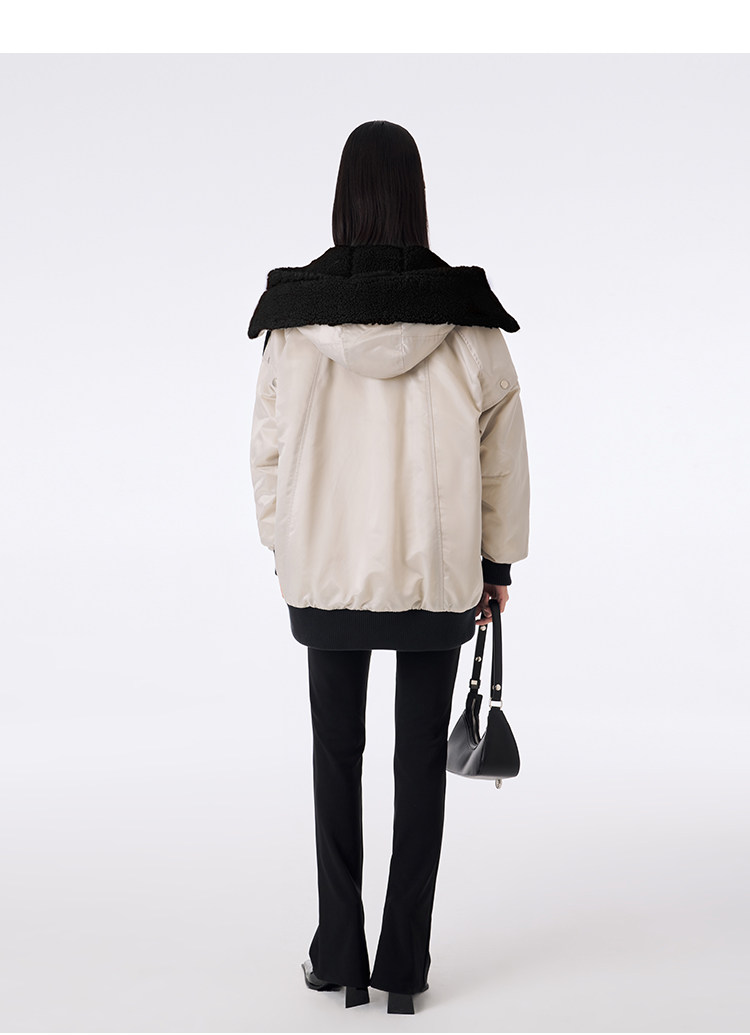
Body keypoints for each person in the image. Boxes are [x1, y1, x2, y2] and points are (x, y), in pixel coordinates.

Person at [247, 120, 530, 1015]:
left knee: (336, 757)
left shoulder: (295, 324)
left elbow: (268, 458)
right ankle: (404, 965)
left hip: (324, 573)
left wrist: (290, 545)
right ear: (416, 199)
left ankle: (339, 952)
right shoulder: (469, 322)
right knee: (417, 765)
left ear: (344, 199)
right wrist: (496, 562)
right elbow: (501, 459)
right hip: (435, 577)